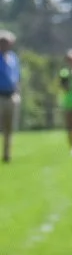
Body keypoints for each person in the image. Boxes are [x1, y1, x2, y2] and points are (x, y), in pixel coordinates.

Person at [0, 31, 19, 164]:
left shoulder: (13, 58)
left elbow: (17, 77)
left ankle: (7, 155)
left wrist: (17, 93)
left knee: (9, 128)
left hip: (11, 96)